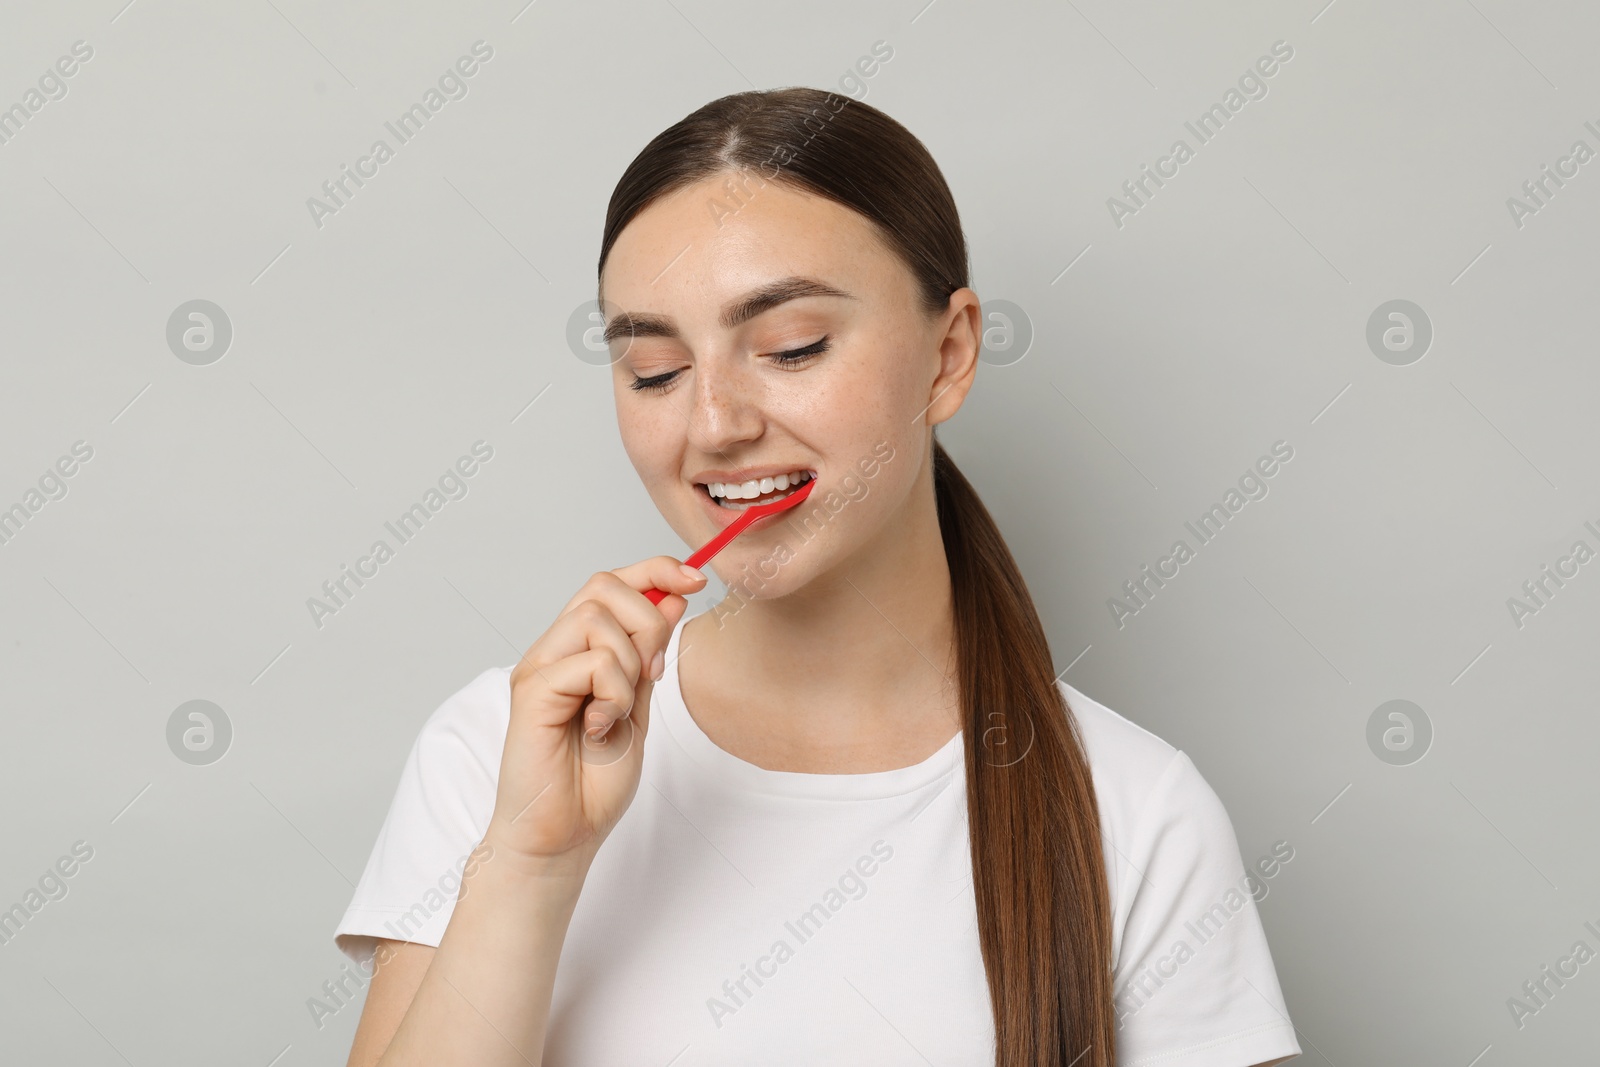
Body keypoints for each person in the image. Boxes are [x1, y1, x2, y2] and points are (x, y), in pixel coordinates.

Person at [332, 87, 1302, 1067]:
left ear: (949, 354)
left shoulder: (1135, 811)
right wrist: (528, 864)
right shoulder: (497, 758)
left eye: (791, 347)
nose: (714, 424)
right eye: (655, 370)